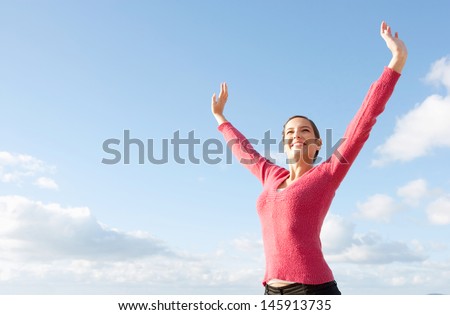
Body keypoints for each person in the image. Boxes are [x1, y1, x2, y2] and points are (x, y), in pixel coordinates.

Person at [211, 21, 407, 295]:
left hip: (312, 289)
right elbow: (244, 150)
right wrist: (221, 118)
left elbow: (362, 123)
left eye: (305, 131)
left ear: (317, 144)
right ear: (284, 142)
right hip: (271, 290)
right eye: (290, 131)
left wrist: (396, 61)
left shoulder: (327, 173)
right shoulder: (270, 174)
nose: (296, 135)